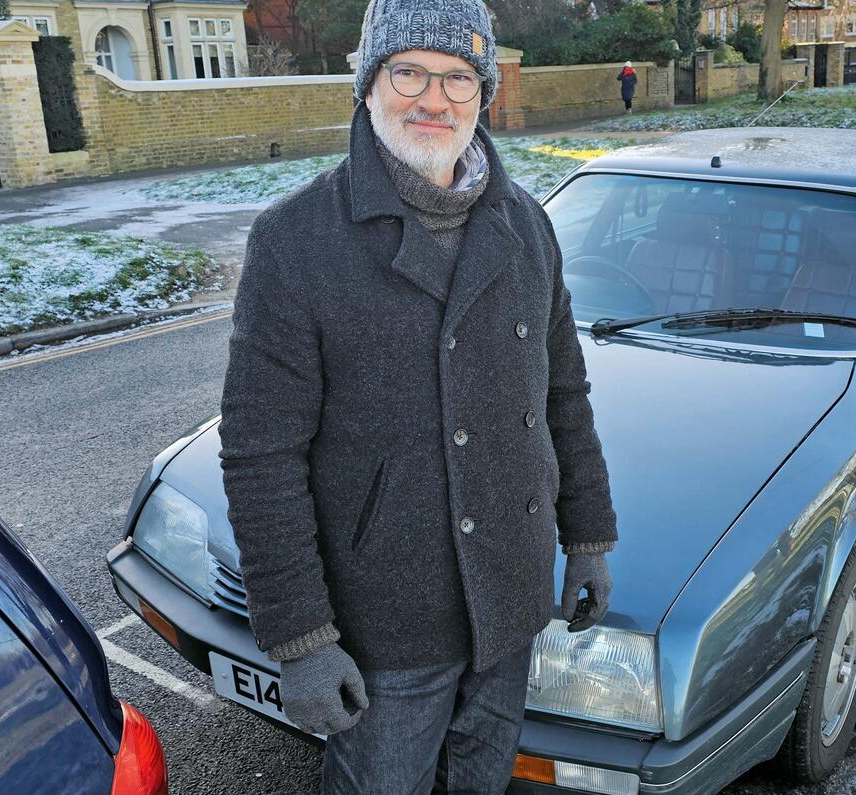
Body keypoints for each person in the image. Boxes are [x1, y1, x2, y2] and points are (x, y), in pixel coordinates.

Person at [217, 0, 618, 792]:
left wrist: (590, 535)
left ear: (483, 93)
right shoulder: (297, 241)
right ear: (367, 85)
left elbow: (563, 393)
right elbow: (261, 455)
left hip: (510, 597)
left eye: (459, 78)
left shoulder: (528, 227)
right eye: (409, 73)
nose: (435, 99)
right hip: (386, 625)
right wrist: (300, 637)